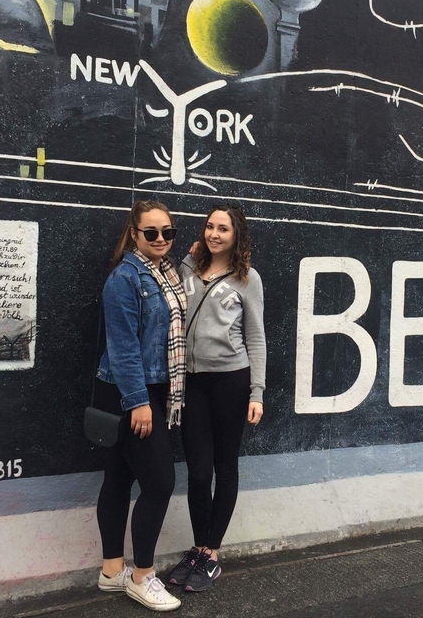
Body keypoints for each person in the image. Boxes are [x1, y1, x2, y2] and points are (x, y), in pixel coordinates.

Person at [93, 200, 187, 612]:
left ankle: (112, 570)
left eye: (168, 231)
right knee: (159, 484)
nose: (162, 239)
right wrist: (138, 402)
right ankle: (142, 576)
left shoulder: (166, 271)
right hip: (133, 391)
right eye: (152, 233)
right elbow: (125, 347)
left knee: (117, 479)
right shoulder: (125, 279)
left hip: (153, 390)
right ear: (134, 234)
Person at [167, 204, 266, 593]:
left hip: (231, 380)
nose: (214, 234)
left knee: (224, 466)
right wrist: (191, 256)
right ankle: (197, 546)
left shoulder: (247, 279)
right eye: (210, 226)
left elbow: (256, 337)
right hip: (192, 382)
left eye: (223, 229)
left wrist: (256, 391)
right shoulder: (188, 268)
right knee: (197, 472)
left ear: (236, 235)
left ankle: (212, 554)